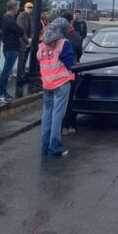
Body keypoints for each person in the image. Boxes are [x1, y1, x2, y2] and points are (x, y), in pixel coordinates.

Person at [38, 17, 76, 157]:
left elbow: (38, 59)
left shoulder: (42, 44)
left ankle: (44, 147)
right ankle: (55, 148)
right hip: (61, 82)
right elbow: (69, 63)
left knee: (47, 114)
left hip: (47, 83)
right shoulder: (63, 44)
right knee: (57, 115)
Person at [60, 11, 83, 135]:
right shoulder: (74, 35)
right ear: (71, 21)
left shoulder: (54, 34)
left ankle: (55, 126)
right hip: (70, 70)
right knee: (69, 99)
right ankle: (66, 125)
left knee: (54, 101)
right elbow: (79, 52)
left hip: (52, 73)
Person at [0, 0, 24, 103]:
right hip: (11, 47)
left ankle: (3, 92)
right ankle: (0, 94)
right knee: (6, 71)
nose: (18, 8)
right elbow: (20, 31)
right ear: (14, 8)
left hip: (8, 47)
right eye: (18, 6)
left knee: (6, 71)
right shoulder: (10, 20)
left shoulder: (4, 18)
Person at [16, 1, 34, 82]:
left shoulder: (31, 17)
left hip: (29, 41)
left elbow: (33, 29)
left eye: (31, 7)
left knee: (25, 59)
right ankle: (19, 76)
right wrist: (27, 39)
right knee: (21, 59)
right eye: (28, 7)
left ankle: (22, 74)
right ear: (24, 8)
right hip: (22, 41)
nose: (30, 9)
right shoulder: (21, 16)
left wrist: (31, 38)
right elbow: (21, 29)